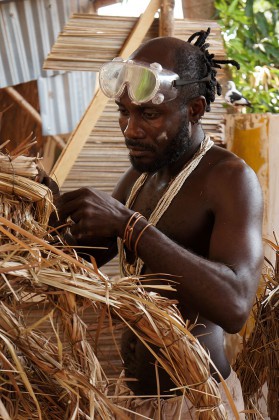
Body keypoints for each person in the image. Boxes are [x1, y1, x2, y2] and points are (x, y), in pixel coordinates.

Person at [56, 28, 263, 418]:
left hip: (198, 403)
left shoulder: (230, 179)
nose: (130, 130)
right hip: (137, 401)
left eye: (148, 114)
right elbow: (81, 257)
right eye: (124, 112)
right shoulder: (140, 177)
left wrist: (130, 226)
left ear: (195, 109)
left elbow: (235, 306)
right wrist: (41, 213)